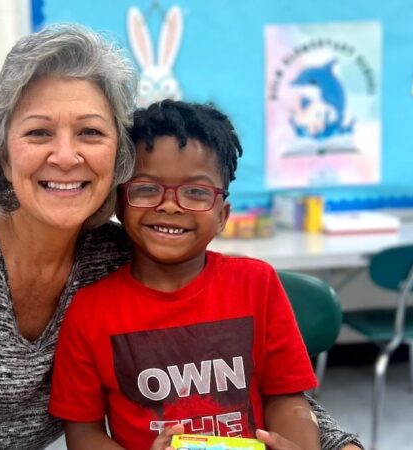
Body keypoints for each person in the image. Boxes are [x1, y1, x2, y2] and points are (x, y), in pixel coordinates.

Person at [0, 24, 362, 450]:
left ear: (117, 158)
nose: (66, 156)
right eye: (39, 132)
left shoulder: (116, 256)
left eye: (90, 132)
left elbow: (253, 380)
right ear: (3, 155)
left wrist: (340, 445)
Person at [48, 101, 357, 450]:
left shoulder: (257, 284)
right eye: (146, 188)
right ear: (120, 203)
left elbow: (287, 398)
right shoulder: (89, 310)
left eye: (195, 192)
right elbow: (83, 431)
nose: (169, 205)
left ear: (222, 215)